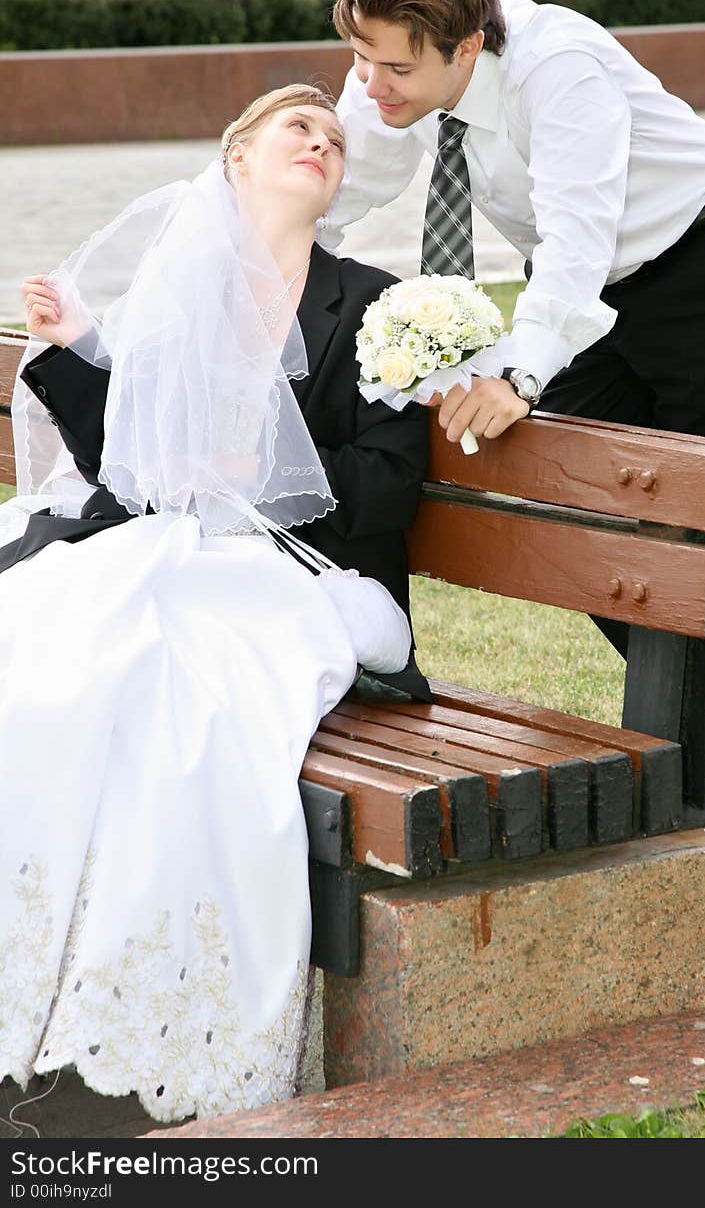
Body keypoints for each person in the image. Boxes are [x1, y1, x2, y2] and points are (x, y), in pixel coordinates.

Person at [322, 0, 705, 847]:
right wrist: (264, 243)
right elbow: (343, 179)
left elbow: (577, 229)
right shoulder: (397, 63)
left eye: (395, 67)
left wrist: (520, 375)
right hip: (595, 295)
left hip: (703, 267)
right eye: (360, 58)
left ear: (468, 42)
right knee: (575, 518)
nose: (370, 85)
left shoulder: (556, 67)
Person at [0, 84, 429, 1126]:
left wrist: (268, 471)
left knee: (174, 702)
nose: (322, 141)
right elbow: (131, 465)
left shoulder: (377, 305)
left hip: (290, 577)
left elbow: (384, 490)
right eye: (299, 127)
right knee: (55, 663)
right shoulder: (181, 288)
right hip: (169, 551)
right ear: (237, 156)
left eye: (334, 138)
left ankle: (131, 1023)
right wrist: (75, 350)